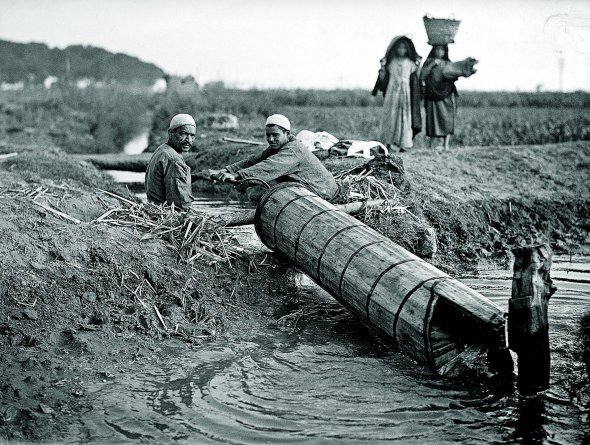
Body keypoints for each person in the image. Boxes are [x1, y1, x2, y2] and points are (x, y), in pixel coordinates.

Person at [207, 114, 338, 201]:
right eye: (268, 135)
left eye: (275, 135)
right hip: (308, 192)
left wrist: (237, 176)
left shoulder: (293, 150)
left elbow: (269, 166)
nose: (270, 139)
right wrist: (225, 171)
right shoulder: (278, 147)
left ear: (287, 134)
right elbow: (252, 161)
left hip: (324, 194)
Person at [420, 44, 477, 151]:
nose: (439, 52)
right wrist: (432, 65)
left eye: (441, 50)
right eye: (437, 49)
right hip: (432, 95)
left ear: (445, 51)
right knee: (432, 119)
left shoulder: (448, 64)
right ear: (433, 50)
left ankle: (446, 146)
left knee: (447, 119)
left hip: (446, 94)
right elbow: (422, 76)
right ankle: (432, 146)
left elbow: (456, 73)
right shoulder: (428, 62)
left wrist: (467, 69)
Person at [372, 35, 422, 153]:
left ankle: (403, 144)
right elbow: (383, 78)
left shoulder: (410, 63)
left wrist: (419, 64)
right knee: (391, 115)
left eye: (404, 48)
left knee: (404, 117)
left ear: (407, 50)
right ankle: (388, 143)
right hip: (392, 92)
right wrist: (382, 67)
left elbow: (416, 77)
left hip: (405, 93)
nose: (401, 50)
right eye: (399, 48)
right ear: (395, 49)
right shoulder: (391, 63)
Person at [145, 113, 197, 209]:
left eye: (192, 135)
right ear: (171, 133)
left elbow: (171, 180)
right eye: (183, 134)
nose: (189, 140)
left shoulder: (163, 149)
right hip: (165, 216)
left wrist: (199, 176)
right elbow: (181, 204)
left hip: (155, 211)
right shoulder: (173, 159)